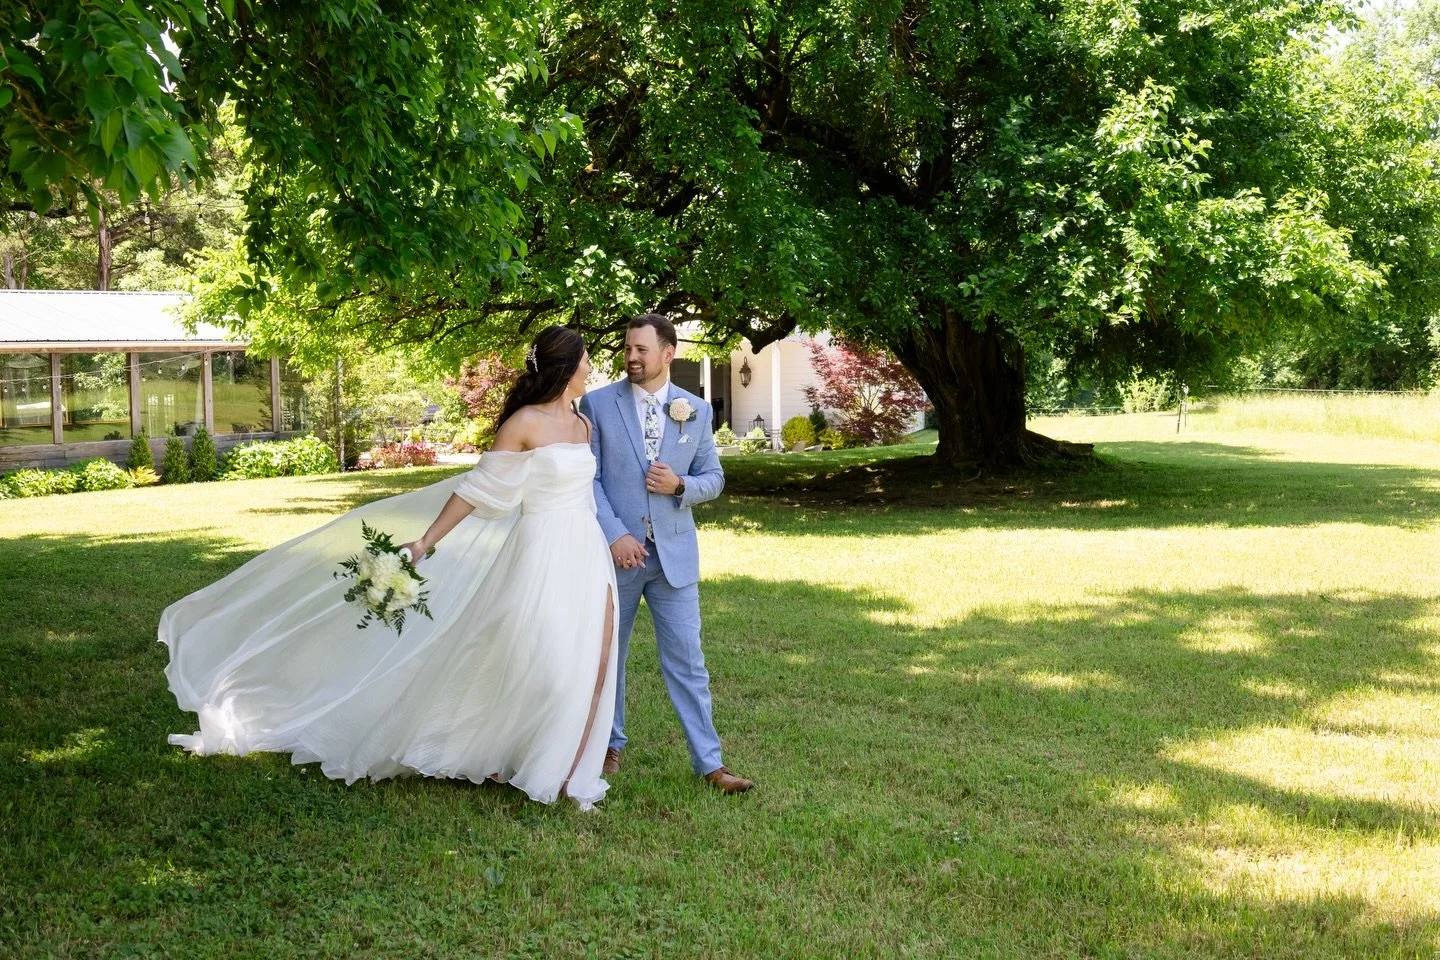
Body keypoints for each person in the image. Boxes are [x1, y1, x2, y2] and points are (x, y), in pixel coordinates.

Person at [158, 327, 618, 809]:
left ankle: (566, 770)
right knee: (540, 658)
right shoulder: (523, 423)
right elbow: (478, 492)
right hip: (541, 552)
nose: (591, 368)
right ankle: (500, 748)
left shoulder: (583, 425)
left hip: (586, 552)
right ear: (566, 367)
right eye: (586, 359)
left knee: (590, 660)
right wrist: (424, 541)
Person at [579, 313, 754, 794]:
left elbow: (714, 478)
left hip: (674, 558)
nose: (631, 357)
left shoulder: (695, 409)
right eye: (627, 349)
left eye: (641, 350)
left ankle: (710, 764)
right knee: (608, 654)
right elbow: (586, 477)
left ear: (668, 353)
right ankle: (608, 744)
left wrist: (682, 485)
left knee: (688, 660)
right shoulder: (596, 404)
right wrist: (615, 534)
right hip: (618, 555)